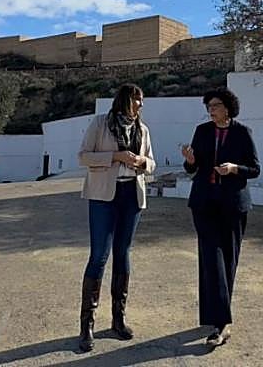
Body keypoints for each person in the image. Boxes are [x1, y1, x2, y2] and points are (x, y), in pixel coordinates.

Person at [77, 83, 156, 353]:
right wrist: (116, 157)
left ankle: (118, 319)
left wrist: (141, 163)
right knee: (99, 256)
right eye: (137, 100)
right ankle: (86, 325)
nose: (140, 105)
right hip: (103, 196)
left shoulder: (142, 130)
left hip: (132, 196)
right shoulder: (100, 124)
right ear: (125, 100)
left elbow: (152, 162)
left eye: (142, 101)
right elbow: (83, 156)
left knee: (123, 255)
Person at [180, 87, 260, 348]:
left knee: (228, 261)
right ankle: (220, 323)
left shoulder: (242, 132)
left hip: (233, 205)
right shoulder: (202, 131)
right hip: (204, 202)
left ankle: (218, 319)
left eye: (214, 105)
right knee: (211, 259)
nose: (210, 110)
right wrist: (190, 160)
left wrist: (234, 168)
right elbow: (193, 168)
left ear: (227, 107)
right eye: (208, 107)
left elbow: (255, 169)